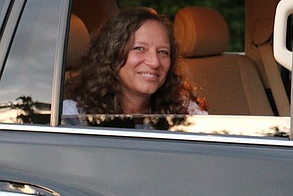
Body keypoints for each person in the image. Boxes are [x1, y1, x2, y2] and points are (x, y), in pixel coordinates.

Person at [63, 7, 207, 123]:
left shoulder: (186, 111)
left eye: (163, 52)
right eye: (139, 49)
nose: (155, 62)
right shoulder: (73, 117)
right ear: (112, 54)